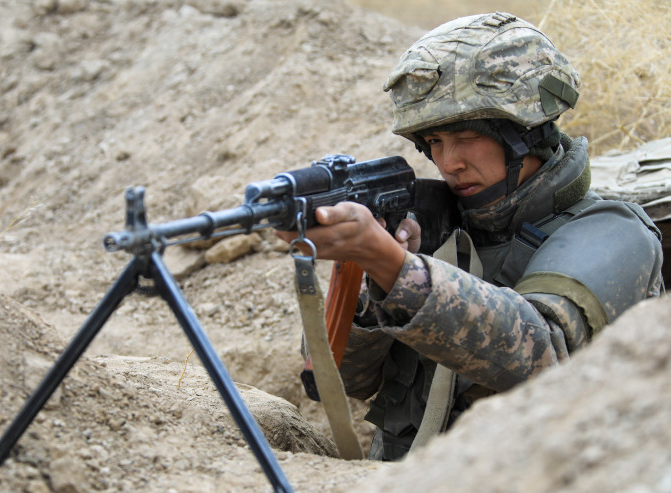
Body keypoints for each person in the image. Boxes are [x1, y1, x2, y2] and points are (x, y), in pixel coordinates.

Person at [275, 12, 664, 461]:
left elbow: (544, 353)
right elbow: (344, 380)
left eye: (467, 135)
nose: (449, 162)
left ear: (527, 132)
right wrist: (373, 282)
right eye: (435, 141)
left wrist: (395, 267)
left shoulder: (614, 232)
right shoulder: (435, 229)